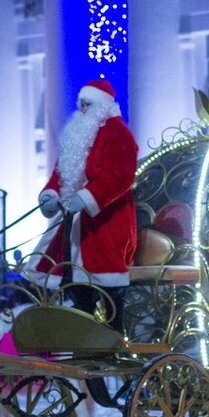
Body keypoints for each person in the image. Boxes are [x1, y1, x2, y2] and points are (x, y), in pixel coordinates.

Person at [27, 79, 138, 333]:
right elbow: (61, 172)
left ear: (102, 105)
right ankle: (83, 341)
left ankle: (112, 339)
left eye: (89, 104)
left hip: (106, 223)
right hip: (75, 225)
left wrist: (89, 196)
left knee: (107, 286)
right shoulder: (77, 135)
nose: (84, 109)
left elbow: (120, 175)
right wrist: (50, 195)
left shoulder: (118, 133)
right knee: (75, 285)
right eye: (81, 104)